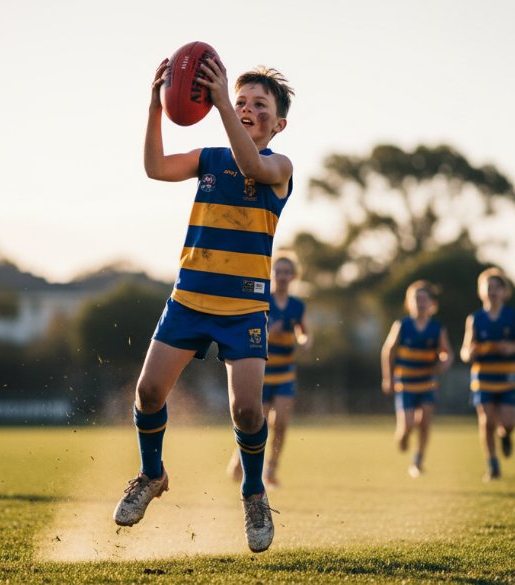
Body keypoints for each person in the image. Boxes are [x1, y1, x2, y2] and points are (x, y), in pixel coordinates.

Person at [112, 55, 295, 554]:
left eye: (259, 104)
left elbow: (253, 164)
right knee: (149, 392)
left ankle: (254, 494)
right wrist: (155, 107)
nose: (245, 108)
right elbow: (154, 168)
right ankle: (152, 476)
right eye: (240, 101)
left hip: (243, 310)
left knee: (247, 408)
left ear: (278, 123)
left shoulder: (279, 167)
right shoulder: (209, 157)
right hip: (189, 300)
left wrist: (221, 108)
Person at [227, 252, 312, 488]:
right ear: (271, 274)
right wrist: (266, 333)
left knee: (281, 422)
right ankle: (238, 458)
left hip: (285, 372)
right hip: (261, 372)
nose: (283, 276)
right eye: (279, 271)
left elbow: (304, 331)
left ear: (294, 276)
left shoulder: (297, 305)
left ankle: (272, 469)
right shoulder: (263, 300)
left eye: (287, 272)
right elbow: (250, 330)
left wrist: (305, 341)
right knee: (255, 422)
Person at [460, 268, 515, 481]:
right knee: (487, 421)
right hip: (482, 378)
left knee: (508, 422)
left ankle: (506, 435)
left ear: (504, 292)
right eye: (488, 287)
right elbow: (464, 351)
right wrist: (469, 353)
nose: (492, 291)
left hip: (507, 376)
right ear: (480, 291)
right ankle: (492, 464)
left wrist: (512, 348)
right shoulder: (474, 319)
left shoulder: (513, 316)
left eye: (496, 287)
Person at [381, 280, 453, 477]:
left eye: (424, 299)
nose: (420, 302)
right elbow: (388, 351)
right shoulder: (402, 325)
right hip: (405, 384)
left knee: (425, 423)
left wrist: (444, 362)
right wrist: (388, 378)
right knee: (408, 425)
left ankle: (418, 462)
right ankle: (403, 436)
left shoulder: (437, 328)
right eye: (416, 299)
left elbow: (447, 353)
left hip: (428, 383)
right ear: (409, 303)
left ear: (431, 303)